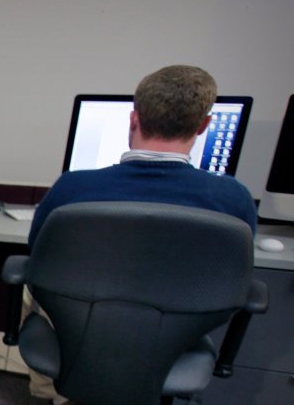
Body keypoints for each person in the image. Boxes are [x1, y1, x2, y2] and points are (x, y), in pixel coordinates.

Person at [23, 65, 258, 404]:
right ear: (204, 125)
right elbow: (236, 274)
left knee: (33, 289)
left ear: (133, 119)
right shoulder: (233, 197)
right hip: (172, 332)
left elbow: (37, 253)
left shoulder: (73, 186)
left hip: (85, 321)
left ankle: (58, 396)